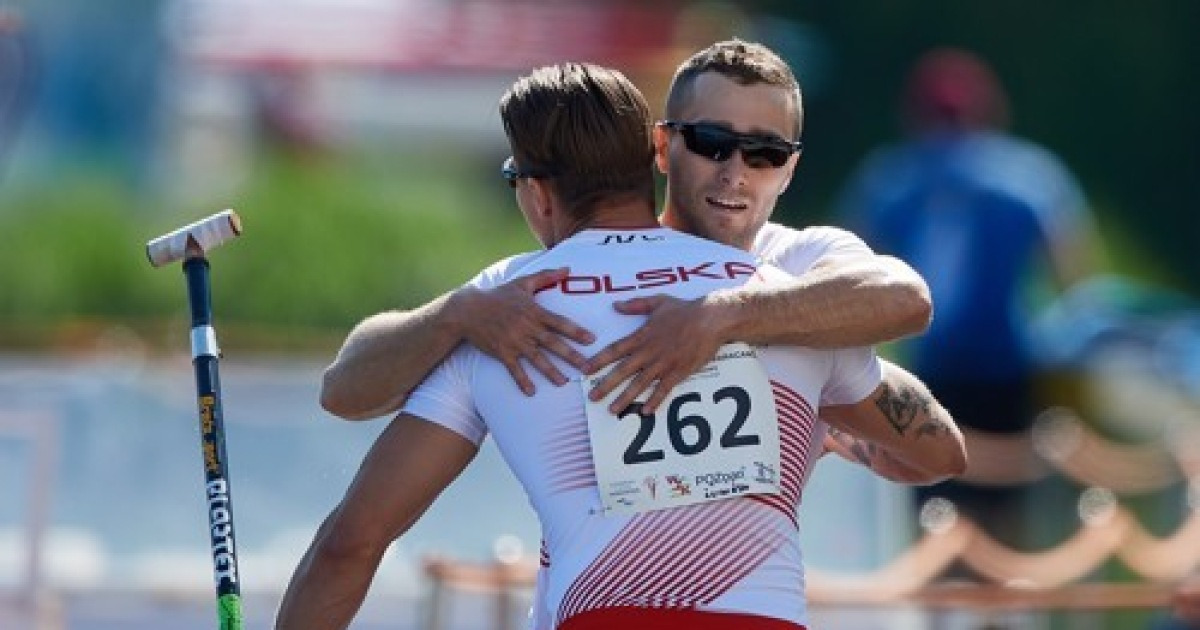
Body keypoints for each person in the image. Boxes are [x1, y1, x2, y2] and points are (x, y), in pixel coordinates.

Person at [275, 60, 965, 630]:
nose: (735, 171)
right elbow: (940, 451)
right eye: (713, 143)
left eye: (763, 153)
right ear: (659, 153)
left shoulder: (507, 309)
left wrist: (726, 322)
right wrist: (820, 408)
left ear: (537, 194)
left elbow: (349, 540)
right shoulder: (794, 301)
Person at [836, 47, 1101, 547]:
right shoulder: (1030, 176)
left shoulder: (892, 178)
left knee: (932, 518)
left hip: (926, 370)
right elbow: (1072, 277)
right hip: (1009, 367)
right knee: (1006, 525)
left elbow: (844, 270)